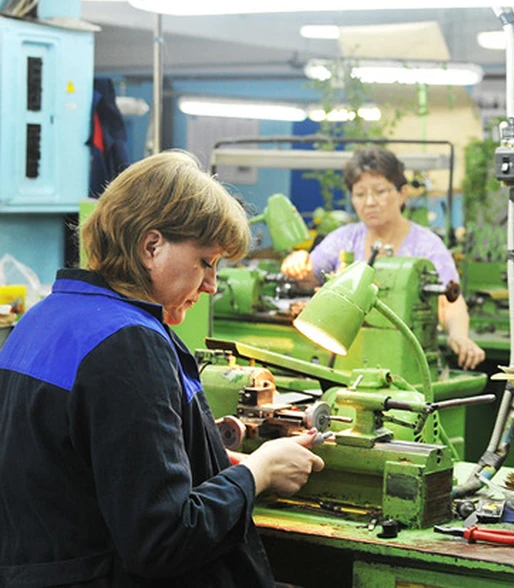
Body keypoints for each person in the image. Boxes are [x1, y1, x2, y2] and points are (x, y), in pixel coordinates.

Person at [0, 151, 325, 586]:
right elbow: (163, 539)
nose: (211, 285)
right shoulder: (129, 343)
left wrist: (200, 455)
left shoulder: (40, 319)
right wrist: (258, 472)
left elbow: (76, 465)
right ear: (152, 247)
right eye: (206, 262)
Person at [281, 146, 486, 370]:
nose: (369, 202)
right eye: (360, 194)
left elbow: (450, 301)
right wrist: (298, 263)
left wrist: (459, 336)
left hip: (405, 361)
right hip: (344, 357)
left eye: (379, 191)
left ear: (402, 193)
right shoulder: (343, 239)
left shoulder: (427, 246)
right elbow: (309, 276)